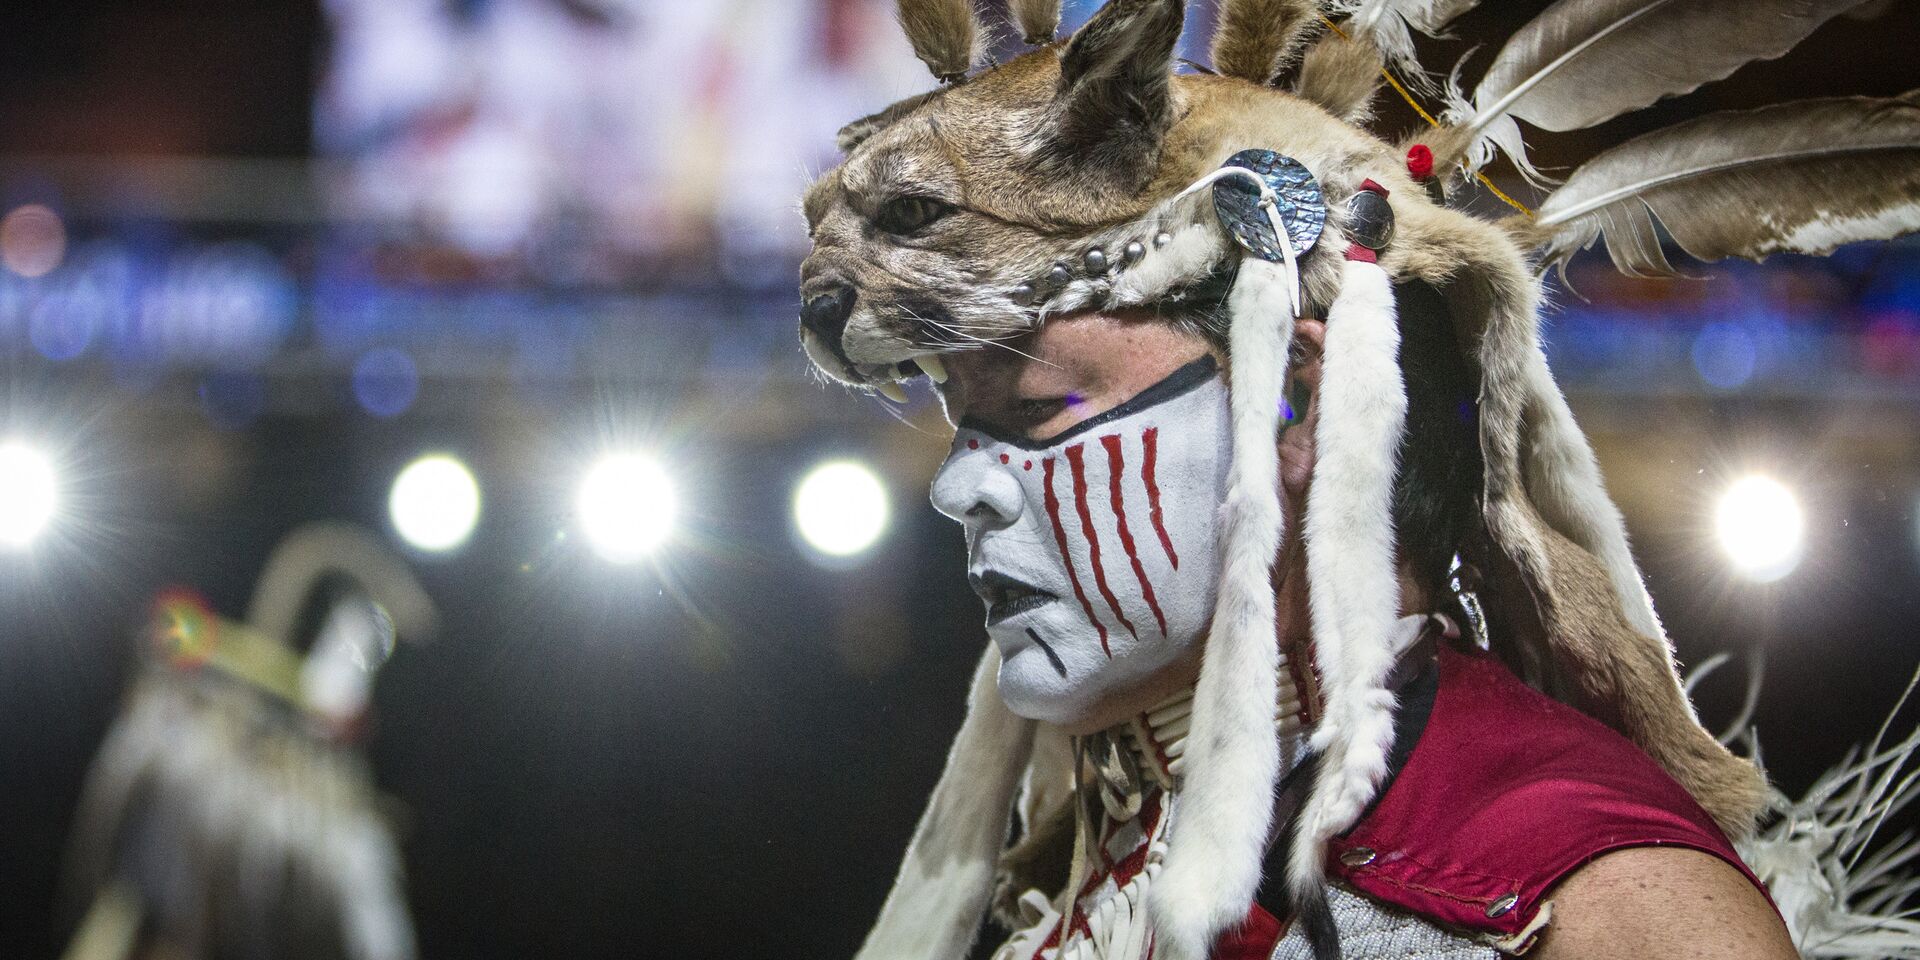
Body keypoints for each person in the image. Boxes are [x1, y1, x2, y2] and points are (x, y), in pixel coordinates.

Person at [794, 1, 1920, 956]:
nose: (961, 491)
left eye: (1035, 412)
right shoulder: (1093, 882)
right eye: (961, 428)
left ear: (1297, 401)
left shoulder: (1599, 899)